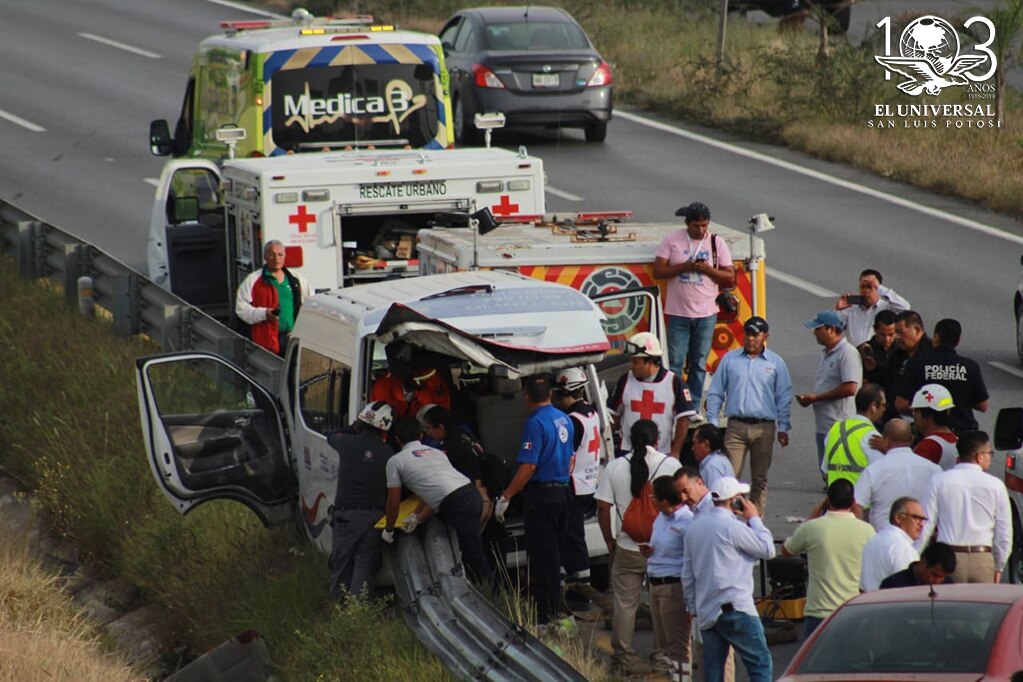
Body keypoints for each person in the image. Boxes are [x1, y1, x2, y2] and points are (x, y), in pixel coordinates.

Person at [595, 419, 681, 674]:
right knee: (662, 606)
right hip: (662, 550)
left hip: (627, 547)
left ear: (629, 439)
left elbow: (603, 507)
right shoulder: (671, 465)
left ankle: (623, 658)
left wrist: (609, 540)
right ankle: (661, 658)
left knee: (625, 604)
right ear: (657, 439)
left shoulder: (615, 467)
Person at [495, 374, 574, 625]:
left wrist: (506, 496)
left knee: (542, 558)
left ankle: (546, 615)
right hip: (563, 493)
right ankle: (556, 607)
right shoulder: (564, 418)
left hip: (542, 497)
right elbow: (571, 458)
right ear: (550, 394)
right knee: (555, 555)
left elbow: (529, 466)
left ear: (525, 396)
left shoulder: (535, 423)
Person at [682, 476, 775, 682]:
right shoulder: (733, 527)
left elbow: (687, 574)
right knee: (759, 664)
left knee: (713, 672)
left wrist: (693, 608)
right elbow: (768, 550)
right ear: (734, 500)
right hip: (737, 608)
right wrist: (754, 518)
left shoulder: (694, 529)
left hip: (708, 612)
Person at [383, 417, 493, 585]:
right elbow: (433, 490)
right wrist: (417, 516)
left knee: (472, 555)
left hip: (458, 503)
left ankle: (488, 592)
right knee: (469, 550)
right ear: (421, 435)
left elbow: (393, 502)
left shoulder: (395, 461)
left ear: (397, 439)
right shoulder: (436, 452)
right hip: (471, 494)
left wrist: (389, 529)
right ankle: (483, 587)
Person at [653, 201, 736, 411]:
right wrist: (684, 266)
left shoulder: (716, 242)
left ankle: (693, 407)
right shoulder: (672, 240)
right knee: (675, 363)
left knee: (699, 364)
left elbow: (729, 276)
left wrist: (707, 269)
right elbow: (658, 271)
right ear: (687, 223)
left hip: (706, 314)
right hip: (678, 313)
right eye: (696, 226)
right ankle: (674, 405)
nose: (700, 230)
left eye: (704, 225)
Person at [706, 315, 792, 513]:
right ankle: (728, 519)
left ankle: (755, 520)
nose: (750, 338)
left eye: (755, 334)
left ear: (765, 336)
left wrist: (783, 427)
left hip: (764, 428)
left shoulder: (776, 363)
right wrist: (712, 422)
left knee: (759, 479)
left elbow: (783, 396)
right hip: (735, 427)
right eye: (748, 334)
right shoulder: (730, 359)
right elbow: (716, 391)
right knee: (729, 478)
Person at [782, 479, 875, 636]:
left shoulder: (812, 528)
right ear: (853, 502)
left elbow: (787, 550)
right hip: (853, 610)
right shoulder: (867, 531)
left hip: (819, 613)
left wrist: (814, 513)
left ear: (828, 500)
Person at [916, 430, 1011, 584]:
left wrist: (915, 557)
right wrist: (999, 566)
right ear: (979, 456)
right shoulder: (996, 486)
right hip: (982, 559)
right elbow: (1004, 533)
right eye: (990, 453)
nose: (990, 457)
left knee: (948, 600)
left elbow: (925, 524)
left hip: (948, 559)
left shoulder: (939, 481)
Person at [326, 401, 395, 599]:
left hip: (346, 516)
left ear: (361, 422)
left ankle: (339, 607)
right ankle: (359, 609)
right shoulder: (389, 454)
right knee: (365, 567)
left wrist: (353, 427)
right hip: (374, 518)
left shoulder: (345, 442)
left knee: (341, 566)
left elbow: (330, 435)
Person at [607, 331, 696, 458]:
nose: (631, 366)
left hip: (660, 453)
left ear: (650, 361)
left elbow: (683, 420)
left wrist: (676, 451)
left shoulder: (674, 383)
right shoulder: (625, 380)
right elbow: (614, 415)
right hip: (627, 452)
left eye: (636, 362)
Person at [551, 367, 600, 595]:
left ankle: (580, 590)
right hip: (589, 483)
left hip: (574, 485)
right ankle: (578, 584)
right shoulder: (591, 413)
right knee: (573, 535)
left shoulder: (572, 421)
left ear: (564, 393)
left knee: (570, 536)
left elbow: (566, 455)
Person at [895, 318, 989, 434]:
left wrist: (921, 411)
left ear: (936, 337)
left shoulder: (918, 364)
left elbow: (901, 404)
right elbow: (983, 405)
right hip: (963, 434)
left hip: (929, 432)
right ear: (958, 341)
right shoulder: (970, 366)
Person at [798, 310, 862, 477]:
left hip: (839, 425)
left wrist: (817, 398)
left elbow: (850, 387)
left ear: (831, 329)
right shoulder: (826, 353)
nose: (814, 333)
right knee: (826, 472)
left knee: (837, 474)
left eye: (818, 328)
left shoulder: (847, 353)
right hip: (824, 424)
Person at [640, 475, 693, 676]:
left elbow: (690, 560)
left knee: (677, 646)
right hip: (655, 584)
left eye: (654, 497)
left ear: (663, 500)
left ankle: (682, 678)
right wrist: (650, 551)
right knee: (664, 646)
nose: (652, 500)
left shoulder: (687, 522)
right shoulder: (661, 518)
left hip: (673, 587)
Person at [854, 419, 941, 531]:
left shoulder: (875, 469)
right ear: (912, 439)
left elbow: (857, 504)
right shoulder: (934, 469)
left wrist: (862, 534)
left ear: (886, 440)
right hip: (922, 535)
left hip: (882, 536)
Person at [235, 240, 312, 355]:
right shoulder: (253, 280)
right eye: (272, 254)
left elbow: (311, 304)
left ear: (284, 256)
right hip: (265, 342)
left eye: (280, 254)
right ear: (265, 257)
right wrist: (264, 314)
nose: (276, 258)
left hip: (291, 340)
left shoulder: (296, 279)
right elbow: (241, 309)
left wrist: (299, 330)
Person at [419, 405, 491, 526]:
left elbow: (442, 485)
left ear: (440, 427)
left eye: (429, 428)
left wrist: (418, 517)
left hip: (471, 497)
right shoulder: (463, 432)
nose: (428, 433)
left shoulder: (450, 448)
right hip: (484, 491)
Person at [820, 383, 886, 486]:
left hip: (835, 493)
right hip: (860, 495)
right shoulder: (873, 437)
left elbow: (825, 470)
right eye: (883, 405)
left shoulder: (835, 429)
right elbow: (882, 475)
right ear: (873, 406)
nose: (884, 409)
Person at [859, 496, 925, 591]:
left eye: (922, 519)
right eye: (915, 518)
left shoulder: (873, 540)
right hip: (890, 599)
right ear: (898, 518)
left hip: (868, 598)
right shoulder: (903, 549)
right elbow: (908, 589)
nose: (921, 524)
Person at [834, 268, 910, 347]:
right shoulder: (850, 308)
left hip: (877, 353)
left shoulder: (887, 307)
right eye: (863, 286)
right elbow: (835, 329)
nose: (866, 290)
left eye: (869, 286)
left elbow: (905, 308)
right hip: (854, 353)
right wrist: (838, 310)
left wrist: (880, 287)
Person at [883, 310, 931, 421]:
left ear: (917, 330)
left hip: (922, 418)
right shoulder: (897, 354)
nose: (897, 337)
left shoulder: (931, 355)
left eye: (901, 332)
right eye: (896, 332)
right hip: (893, 417)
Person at [370, 367, 452, 419]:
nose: (428, 384)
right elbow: (376, 419)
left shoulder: (435, 381)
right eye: (423, 381)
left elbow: (442, 414)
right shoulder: (382, 388)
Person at [910, 384, 959, 470]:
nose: (914, 416)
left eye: (915, 411)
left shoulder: (928, 446)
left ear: (927, 417)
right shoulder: (956, 440)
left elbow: (916, 473)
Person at [879, 542, 956, 589]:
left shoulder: (948, 586)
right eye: (935, 575)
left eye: (942, 578)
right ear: (923, 562)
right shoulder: (893, 586)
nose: (937, 582)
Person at [858, 309, 898, 387]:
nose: (887, 339)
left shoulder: (902, 350)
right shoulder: (864, 351)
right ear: (875, 329)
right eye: (883, 335)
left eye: (891, 335)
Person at [692, 424, 736, 491]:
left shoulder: (712, 466)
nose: (692, 448)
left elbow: (714, 495)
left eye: (695, 443)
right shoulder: (719, 459)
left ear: (706, 443)